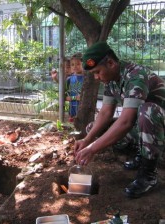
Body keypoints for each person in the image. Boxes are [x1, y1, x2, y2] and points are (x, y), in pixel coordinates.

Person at [74, 41, 165, 198]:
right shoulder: (111, 80)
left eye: (97, 72)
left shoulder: (136, 75)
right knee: (93, 128)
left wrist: (92, 149)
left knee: (147, 111)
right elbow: (105, 114)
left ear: (110, 63)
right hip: (145, 128)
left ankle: (148, 174)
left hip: (159, 126)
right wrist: (87, 140)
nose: (96, 77)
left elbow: (126, 122)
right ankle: (141, 154)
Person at [66, 53, 84, 122]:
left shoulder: (87, 79)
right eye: (72, 64)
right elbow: (67, 97)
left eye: (78, 64)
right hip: (72, 108)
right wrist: (74, 98)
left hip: (83, 109)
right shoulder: (69, 79)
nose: (75, 66)